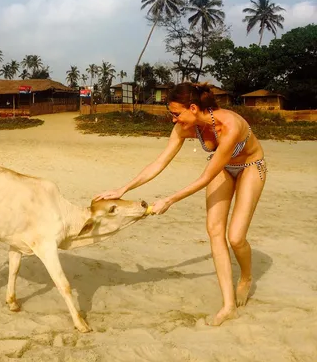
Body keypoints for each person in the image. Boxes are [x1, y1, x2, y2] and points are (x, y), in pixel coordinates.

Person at [93, 82, 267, 326]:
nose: (173, 120)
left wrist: (170, 199)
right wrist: (124, 188)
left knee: (236, 237)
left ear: (193, 108)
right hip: (223, 169)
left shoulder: (231, 125)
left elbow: (205, 177)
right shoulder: (187, 127)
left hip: (251, 167)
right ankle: (228, 306)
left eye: (176, 113)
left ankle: (246, 277)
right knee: (215, 231)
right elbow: (159, 162)